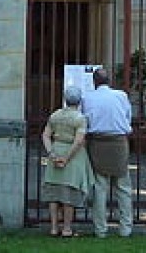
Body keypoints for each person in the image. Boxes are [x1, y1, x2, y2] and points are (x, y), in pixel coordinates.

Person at [81, 67, 133, 238]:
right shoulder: (121, 96)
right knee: (123, 188)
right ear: (109, 81)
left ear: (94, 82)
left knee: (99, 188)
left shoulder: (87, 97)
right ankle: (126, 228)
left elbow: (84, 121)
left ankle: (100, 230)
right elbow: (127, 118)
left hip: (98, 143)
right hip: (118, 142)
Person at [41, 85, 95, 237]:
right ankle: (66, 229)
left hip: (56, 149)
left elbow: (45, 135)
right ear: (79, 102)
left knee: (53, 192)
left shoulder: (55, 115)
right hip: (73, 156)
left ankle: (53, 228)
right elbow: (78, 142)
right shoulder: (80, 118)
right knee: (68, 194)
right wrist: (66, 158)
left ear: (65, 99)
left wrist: (51, 154)